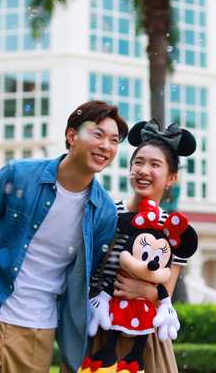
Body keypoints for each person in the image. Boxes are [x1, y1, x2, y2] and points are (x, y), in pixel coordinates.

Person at [0, 100, 128, 373]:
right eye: (98, 134)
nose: (106, 146)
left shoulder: (104, 212)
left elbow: (86, 272)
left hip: (37, 328)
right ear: (72, 136)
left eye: (114, 140)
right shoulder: (18, 175)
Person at [61, 119, 197, 373]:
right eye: (138, 162)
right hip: (99, 330)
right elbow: (84, 273)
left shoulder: (174, 228)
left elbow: (165, 295)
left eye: (155, 165)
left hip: (145, 340)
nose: (143, 170)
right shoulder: (107, 213)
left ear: (171, 178)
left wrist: (143, 290)